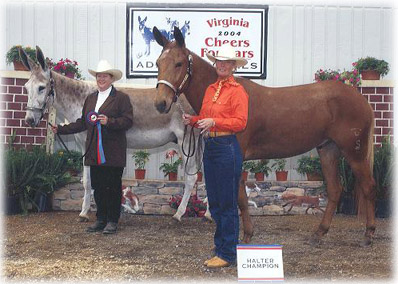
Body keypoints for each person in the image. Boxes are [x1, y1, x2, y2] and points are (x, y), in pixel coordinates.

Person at [182, 45, 249, 268]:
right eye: (219, 61)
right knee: (217, 202)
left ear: (232, 66)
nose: (221, 64)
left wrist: (215, 122)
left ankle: (228, 253)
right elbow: (206, 116)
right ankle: (221, 246)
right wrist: (192, 120)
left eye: (226, 62)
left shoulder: (238, 91)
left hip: (227, 146)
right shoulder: (211, 89)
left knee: (227, 202)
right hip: (210, 145)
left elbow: (240, 122)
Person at [52, 60, 133, 234]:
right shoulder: (91, 99)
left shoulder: (121, 98)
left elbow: (128, 121)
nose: (101, 79)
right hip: (94, 151)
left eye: (104, 76)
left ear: (111, 78)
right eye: (98, 76)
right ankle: (101, 219)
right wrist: (61, 129)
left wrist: (109, 121)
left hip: (112, 151)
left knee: (112, 186)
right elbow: (83, 122)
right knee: (98, 186)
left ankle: (112, 220)